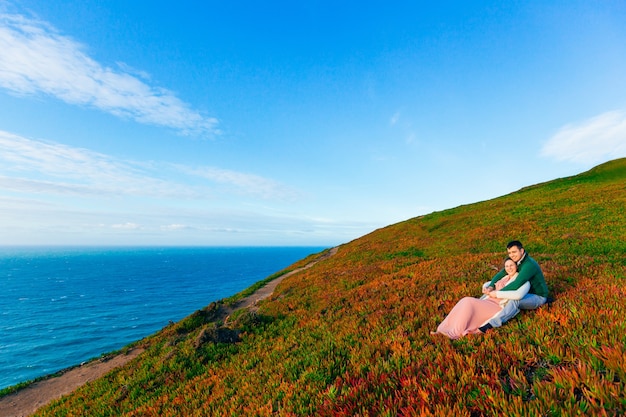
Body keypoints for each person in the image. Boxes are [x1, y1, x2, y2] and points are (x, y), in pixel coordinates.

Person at [431, 258, 530, 339]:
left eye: (512, 265)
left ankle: (455, 333)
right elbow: (489, 283)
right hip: (487, 301)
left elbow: (518, 295)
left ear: (516, 266)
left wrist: (497, 294)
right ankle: (442, 329)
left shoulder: (520, 280)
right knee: (463, 302)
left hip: (497, 306)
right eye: (507, 266)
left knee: (468, 301)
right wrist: (486, 287)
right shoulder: (504, 277)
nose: (509, 268)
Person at [478, 240, 549, 333]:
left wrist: (497, 293)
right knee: (497, 295)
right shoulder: (517, 261)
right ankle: (479, 305)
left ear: (522, 251)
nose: (511, 255)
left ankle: (492, 324)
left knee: (514, 300)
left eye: (514, 252)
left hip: (537, 296)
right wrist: (491, 287)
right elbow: (501, 273)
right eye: (509, 253)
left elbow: (517, 284)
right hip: (525, 292)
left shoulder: (528, 265)